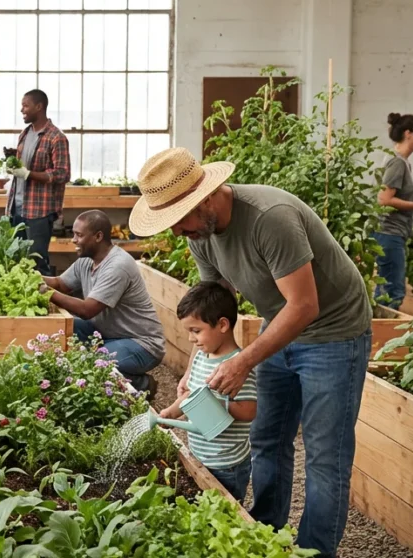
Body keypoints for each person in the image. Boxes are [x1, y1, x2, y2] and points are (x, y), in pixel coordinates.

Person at [130, 147, 372, 557]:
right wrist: (196, 364)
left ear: (205, 198)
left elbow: (305, 306)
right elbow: (215, 306)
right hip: (279, 324)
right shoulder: (201, 234)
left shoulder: (268, 217)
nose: (176, 232)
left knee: (325, 457)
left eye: (179, 219)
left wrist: (244, 360)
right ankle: (266, 537)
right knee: (267, 439)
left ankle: (315, 551)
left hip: (334, 333)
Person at [41, 210, 165, 395]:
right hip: (107, 333)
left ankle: (142, 384)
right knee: (61, 326)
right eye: (74, 234)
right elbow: (60, 284)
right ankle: (116, 373)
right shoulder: (86, 261)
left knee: (94, 364)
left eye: (79, 235)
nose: (73, 239)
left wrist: (47, 293)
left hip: (141, 343)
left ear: (98, 236)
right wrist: (32, 277)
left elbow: (87, 310)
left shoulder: (117, 265)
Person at [159, 281, 257, 503]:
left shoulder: (236, 367)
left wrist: (220, 402)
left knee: (227, 512)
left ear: (222, 325)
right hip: (200, 455)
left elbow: (250, 410)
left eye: (196, 331)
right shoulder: (203, 357)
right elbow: (191, 395)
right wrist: (170, 413)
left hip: (227, 463)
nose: (192, 339)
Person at [373, 112, 413, 308]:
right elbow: (384, 200)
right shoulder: (397, 163)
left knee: (387, 290)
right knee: (392, 292)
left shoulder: (398, 161)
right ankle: (381, 336)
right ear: (408, 133)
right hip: (389, 233)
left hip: (392, 233)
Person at [4, 89, 71, 276]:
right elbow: (23, 168)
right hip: (17, 209)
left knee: (37, 262)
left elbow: (62, 173)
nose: (22, 110)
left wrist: (27, 174)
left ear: (39, 107)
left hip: (39, 212)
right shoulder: (25, 134)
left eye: (26, 105)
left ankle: (45, 303)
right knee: (17, 261)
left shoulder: (56, 138)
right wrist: (13, 163)